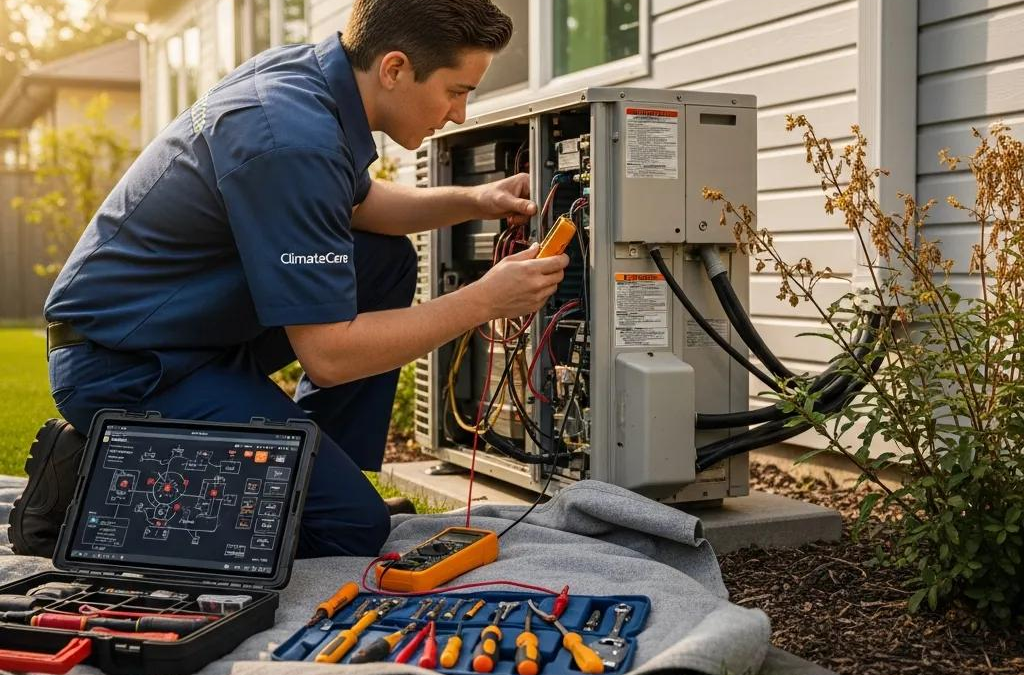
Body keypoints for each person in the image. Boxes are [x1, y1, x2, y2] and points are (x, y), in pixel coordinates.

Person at [12, 0, 569, 559]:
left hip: (186, 331)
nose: (459, 115)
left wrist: (476, 199)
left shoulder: (312, 83)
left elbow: (358, 206)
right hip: (124, 366)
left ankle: (311, 479)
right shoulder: (291, 137)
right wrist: (483, 300)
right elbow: (329, 356)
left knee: (383, 260)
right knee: (349, 531)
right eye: (456, 91)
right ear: (395, 69)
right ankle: (85, 487)